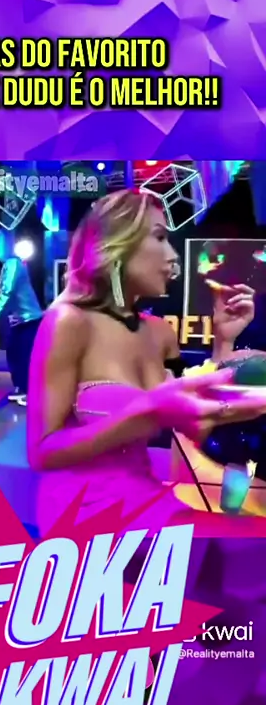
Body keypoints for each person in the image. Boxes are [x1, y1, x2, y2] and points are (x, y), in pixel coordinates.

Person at [27, 190, 266, 537]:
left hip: (149, 498)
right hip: (83, 511)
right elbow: (41, 452)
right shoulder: (68, 322)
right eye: (160, 237)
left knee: (248, 543)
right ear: (118, 246)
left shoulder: (159, 332)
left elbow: (195, 424)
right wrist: (147, 412)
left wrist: (224, 343)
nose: (173, 256)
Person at [0, 229, 43, 406]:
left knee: (25, 357)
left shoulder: (13, 264)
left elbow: (7, 292)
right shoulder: (7, 265)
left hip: (29, 319)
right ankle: (21, 388)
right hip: (18, 320)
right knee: (14, 355)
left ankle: (30, 392)